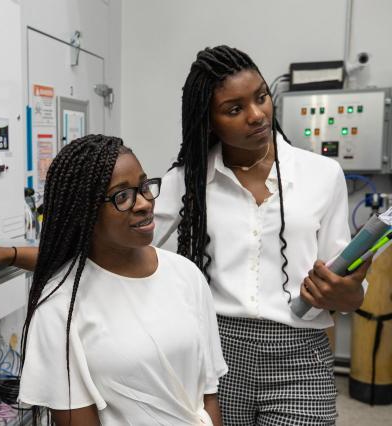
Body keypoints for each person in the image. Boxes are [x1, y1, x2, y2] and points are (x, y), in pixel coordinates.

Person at [153, 45, 370, 425]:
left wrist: (347, 293)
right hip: (218, 353)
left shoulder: (322, 174)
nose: (257, 115)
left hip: (300, 355)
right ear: (209, 122)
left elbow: (346, 288)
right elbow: (123, 244)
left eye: (261, 97)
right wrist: (20, 254)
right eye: (234, 109)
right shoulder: (188, 179)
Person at [18, 135, 228, 426]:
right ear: (85, 212)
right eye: (122, 196)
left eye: (143, 187)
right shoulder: (59, 307)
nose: (143, 203)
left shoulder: (185, 275)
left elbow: (208, 393)